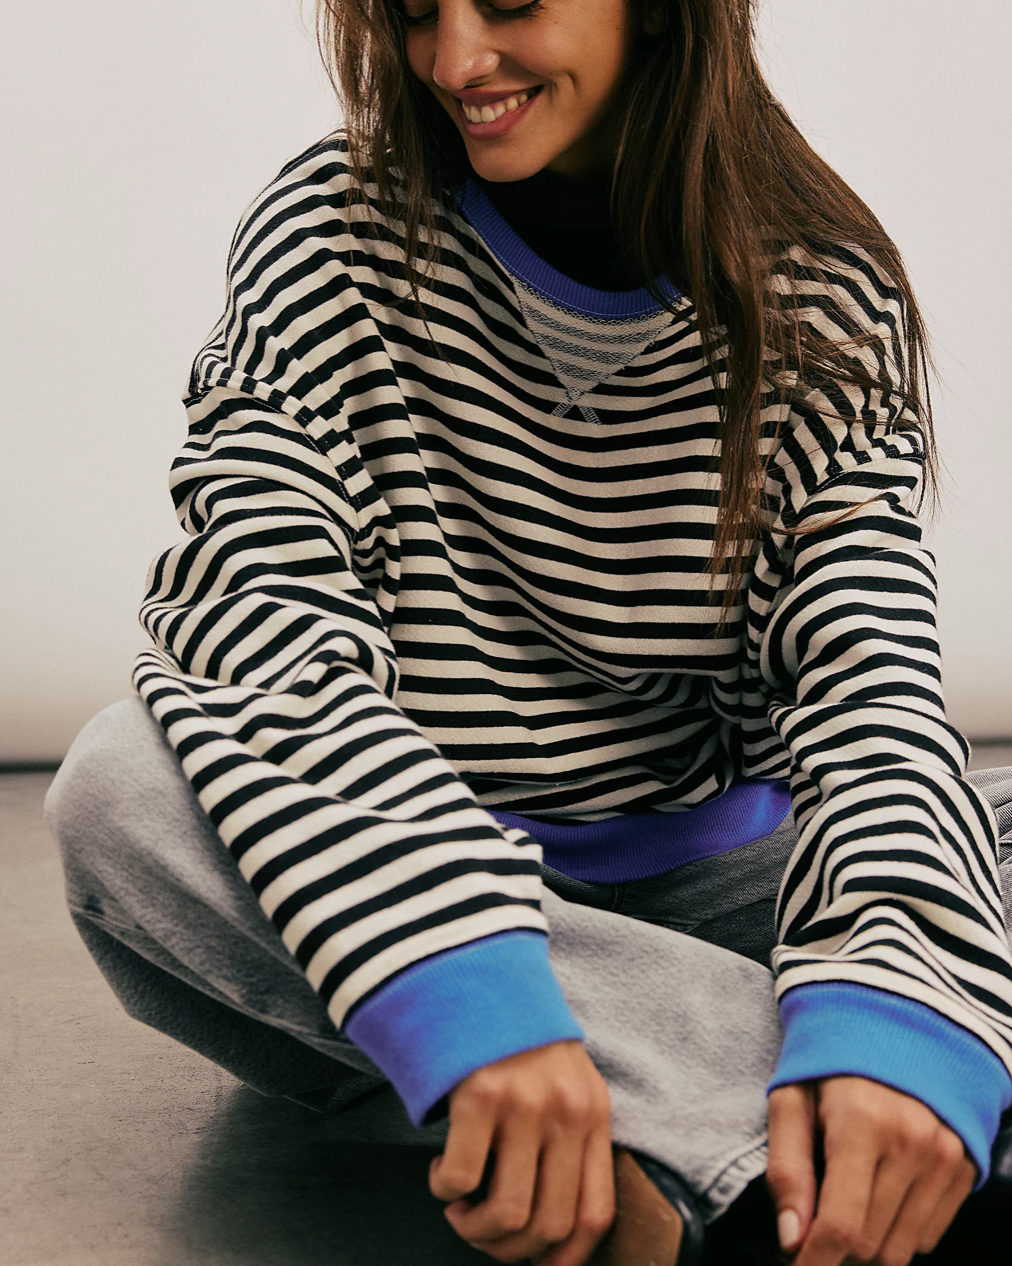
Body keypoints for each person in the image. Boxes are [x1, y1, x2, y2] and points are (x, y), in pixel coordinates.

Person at [45, 1, 1012, 1264]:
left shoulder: (821, 287)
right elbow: (263, 630)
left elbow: (866, 691)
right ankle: (817, 1125)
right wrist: (471, 971)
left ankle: (647, 1121)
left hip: (721, 894)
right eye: (410, 14)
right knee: (121, 792)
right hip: (397, 860)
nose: (452, 63)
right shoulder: (328, 235)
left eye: (508, 1)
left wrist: (887, 961)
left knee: (944, 823)